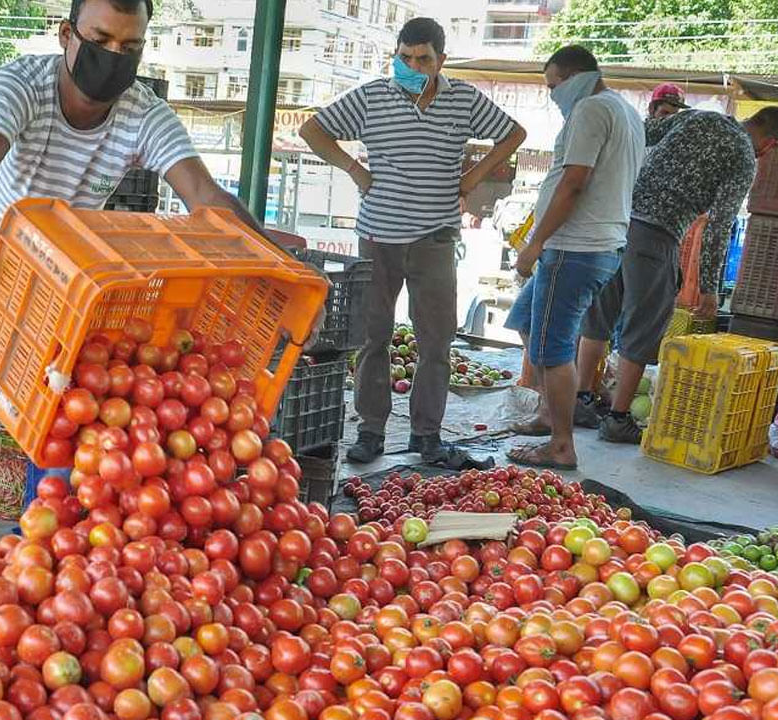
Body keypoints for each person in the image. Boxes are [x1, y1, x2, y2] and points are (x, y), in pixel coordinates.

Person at [0, 0, 278, 560]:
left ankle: (36, 551)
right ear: (67, 34)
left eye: (129, 47)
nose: (114, 56)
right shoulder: (17, 85)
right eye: (101, 39)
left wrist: (275, 263)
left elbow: (205, 198)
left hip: (64, 289)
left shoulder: (141, 112)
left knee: (57, 427)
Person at [299, 17, 526, 464]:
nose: (412, 65)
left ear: (441, 60)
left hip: (436, 236)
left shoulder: (462, 99)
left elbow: (513, 133)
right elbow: (313, 130)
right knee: (372, 337)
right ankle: (370, 431)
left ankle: (427, 434)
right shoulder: (371, 96)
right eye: (405, 57)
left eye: (423, 59)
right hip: (378, 235)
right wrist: (354, 169)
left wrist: (473, 176)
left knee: (436, 340)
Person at [577, 107, 778, 444]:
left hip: (618, 221)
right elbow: (718, 226)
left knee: (599, 314)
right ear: (770, 144)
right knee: (645, 327)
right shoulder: (744, 156)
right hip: (657, 236)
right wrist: (710, 288)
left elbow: (641, 132)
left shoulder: (698, 116)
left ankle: (579, 401)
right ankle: (618, 418)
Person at [502, 46, 644, 470]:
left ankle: (561, 444)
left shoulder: (591, 111)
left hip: (574, 248)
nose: (552, 96)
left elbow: (574, 183)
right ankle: (549, 413)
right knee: (528, 322)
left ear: (575, 77)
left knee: (553, 348)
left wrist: (535, 244)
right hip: (593, 246)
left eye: (553, 86)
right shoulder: (625, 111)